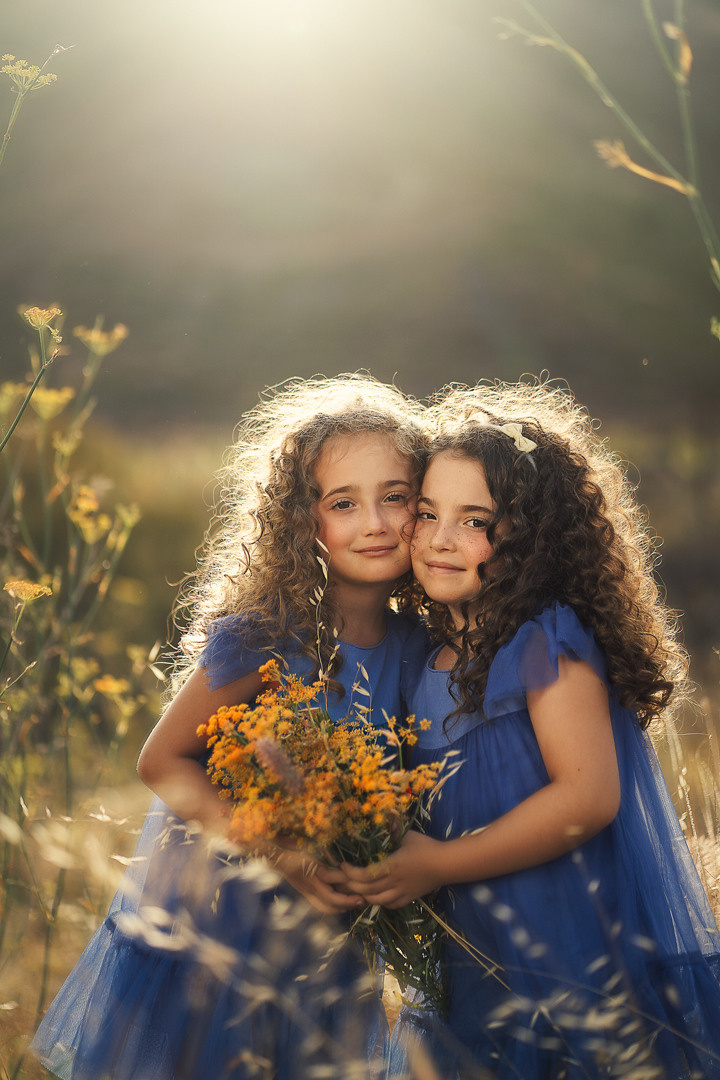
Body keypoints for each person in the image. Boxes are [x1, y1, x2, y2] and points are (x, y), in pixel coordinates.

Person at [32, 373, 428, 1080]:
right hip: (225, 923)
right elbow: (162, 762)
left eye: (395, 497)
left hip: (333, 939)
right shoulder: (267, 638)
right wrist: (286, 858)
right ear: (303, 522)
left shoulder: (419, 648)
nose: (375, 521)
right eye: (344, 503)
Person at [340, 380, 720, 1079]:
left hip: (565, 951)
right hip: (473, 962)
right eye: (427, 512)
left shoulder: (543, 637)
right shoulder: (424, 651)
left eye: (475, 520)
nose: (442, 539)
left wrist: (435, 863)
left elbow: (588, 797)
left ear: (530, 538)